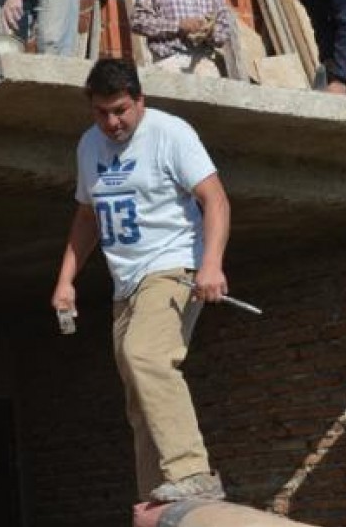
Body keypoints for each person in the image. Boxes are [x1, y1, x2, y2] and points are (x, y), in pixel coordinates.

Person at [51, 59, 231, 504]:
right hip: (125, 283)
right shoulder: (89, 146)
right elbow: (88, 216)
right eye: (101, 113)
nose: (112, 123)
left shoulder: (171, 134)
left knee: (145, 355)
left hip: (173, 268)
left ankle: (193, 471)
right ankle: (157, 498)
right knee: (138, 393)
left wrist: (211, 264)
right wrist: (65, 280)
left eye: (121, 110)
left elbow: (216, 199)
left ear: (140, 100)